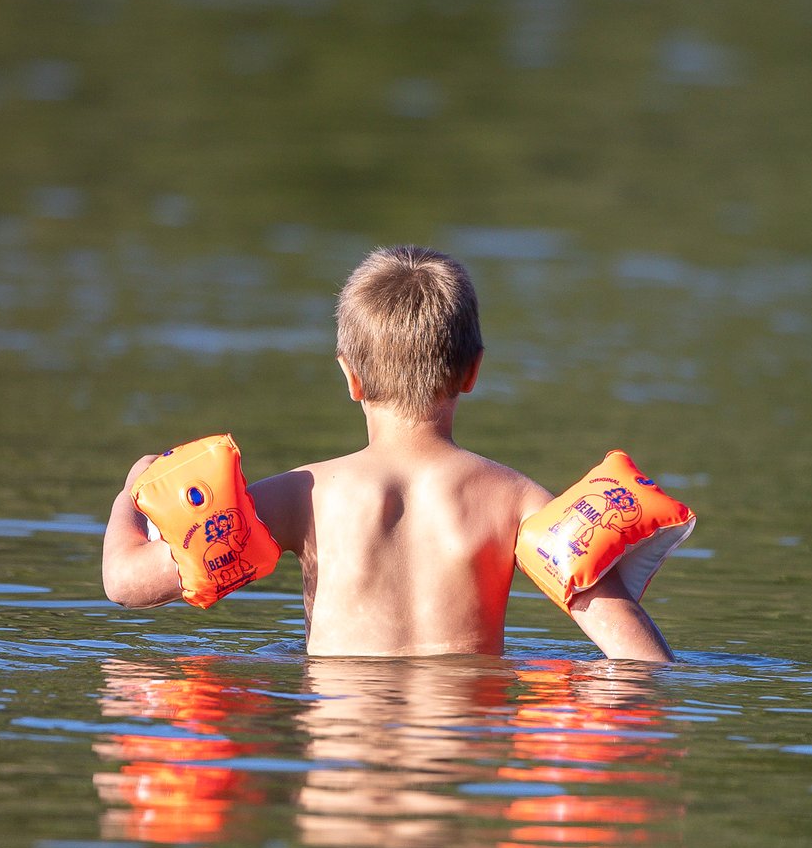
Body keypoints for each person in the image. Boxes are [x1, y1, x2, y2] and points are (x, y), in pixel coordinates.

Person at [100, 245, 673, 661]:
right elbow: (639, 659)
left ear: (350, 377)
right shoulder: (516, 502)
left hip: (343, 772)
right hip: (458, 761)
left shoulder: (305, 495)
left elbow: (125, 584)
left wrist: (134, 488)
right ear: (473, 372)